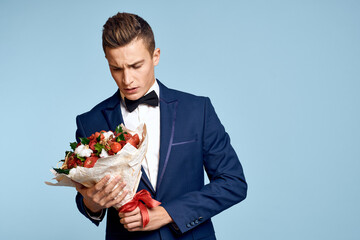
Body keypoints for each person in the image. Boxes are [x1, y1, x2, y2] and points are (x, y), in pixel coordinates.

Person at [73, 12, 247, 240]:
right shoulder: (90, 122)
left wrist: (167, 214)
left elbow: (232, 183)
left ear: (156, 56)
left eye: (136, 66)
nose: (127, 79)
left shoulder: (198, 110)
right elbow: (87, 199)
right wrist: (91, 203)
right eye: (116, 68)